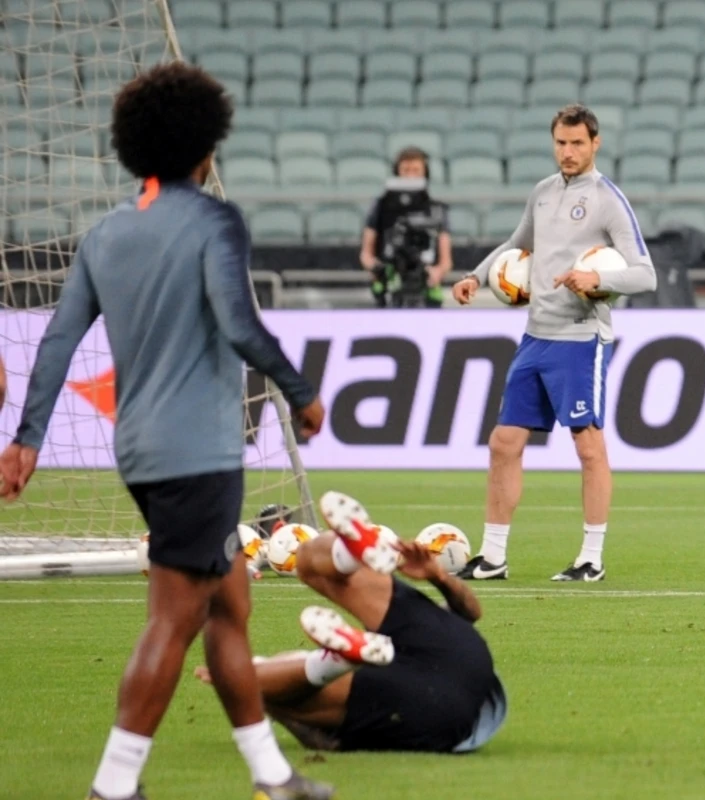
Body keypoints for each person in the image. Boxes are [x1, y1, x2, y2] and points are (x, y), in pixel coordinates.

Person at [0, 64, 332, 799]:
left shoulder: (107, 234)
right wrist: (302, 392)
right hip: (200, 455)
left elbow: (56, 340)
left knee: (230, 603)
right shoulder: (215, 221)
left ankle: (272, 776)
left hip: (141, 451)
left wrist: (26, 438)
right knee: (176, 616)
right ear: (206, 147)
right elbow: (239, 324)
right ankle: (113, 786)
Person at [449, 104, 657, 583]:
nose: (568, 152)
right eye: (561, 143)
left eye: (577, 144)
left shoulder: (608, 199)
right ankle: (493, 556)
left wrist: (597, 277)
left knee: (588, 447)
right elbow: (516, 244)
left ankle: (591, 558)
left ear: (595, 144)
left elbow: (645, 274)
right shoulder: (542, 193)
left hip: (581, 338)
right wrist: (475, 277)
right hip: (535, 336)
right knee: (504, 443)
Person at [195, 490, 507, 756]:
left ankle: (333, 648)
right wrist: (438, 576)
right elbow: (470, 613)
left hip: (444, 693)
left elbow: (471, 613)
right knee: (307, 569)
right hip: (461, 663)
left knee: (264, 688)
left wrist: (442, 581)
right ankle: (345, 568)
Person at [359, 146, 452, 308]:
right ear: (397, 172)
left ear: (425, 173)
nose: (410, 175)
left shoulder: (436, 209)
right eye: (405, 170)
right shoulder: (381, 207)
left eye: (416, 170)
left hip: (425, 284)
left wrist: (436, 272)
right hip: (391, 282)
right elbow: (366, 254)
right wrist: (377, 269)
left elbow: (446, 261)